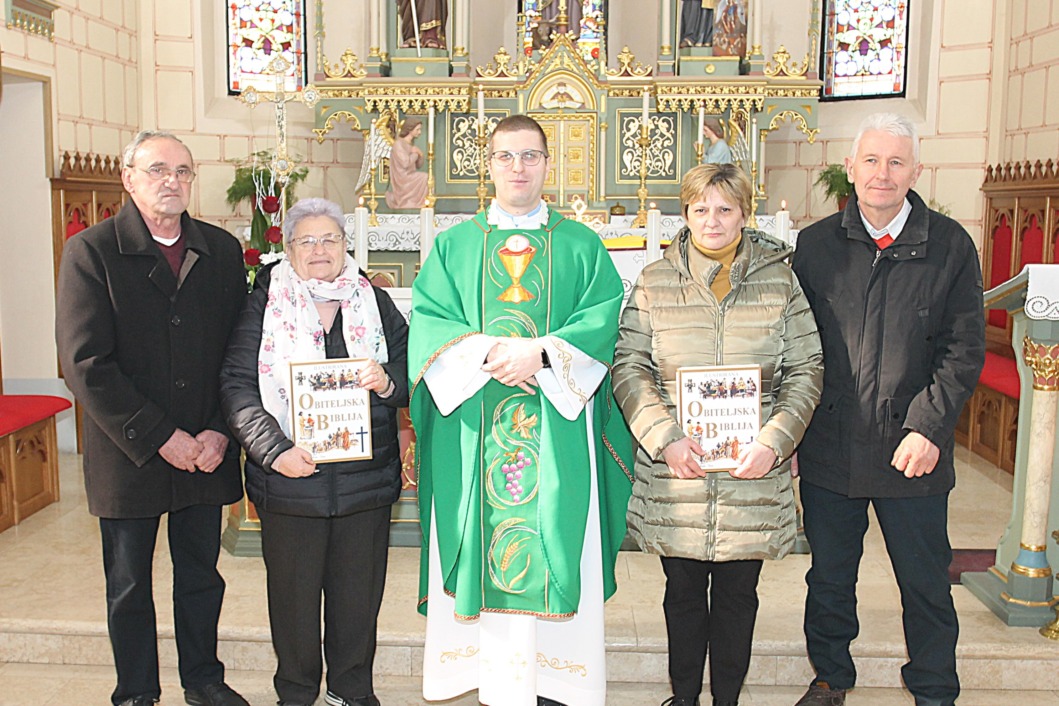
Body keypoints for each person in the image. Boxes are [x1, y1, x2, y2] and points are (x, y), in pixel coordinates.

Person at [409, 114, 633, 706]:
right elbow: (430, 324)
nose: (518, 168)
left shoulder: (582, 244)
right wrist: (490, 353)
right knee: (477, 526)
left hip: (558, 431)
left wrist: (541, 353)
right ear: (488, 165)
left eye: (530, 156)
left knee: (557, 530)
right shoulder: (453, 245)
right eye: (506, 156)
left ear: (547, 164)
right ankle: (485, 674)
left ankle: (559, 678)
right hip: (475, 426)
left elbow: (605, 320)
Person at [790, 113, 986, 706]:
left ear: (916, 171)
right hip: (832, 443)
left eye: (896, 161)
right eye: (871, 160)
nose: (883, 173)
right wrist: (795, 431)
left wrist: (928, 428)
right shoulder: (816, 244)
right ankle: (830, 678)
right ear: (850, 168)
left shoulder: (950, 245)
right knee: (829, 578)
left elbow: (964, 348)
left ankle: (933, 686)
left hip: (913, 450)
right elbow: (796, 345)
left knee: (925, 581)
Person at [612, 163, 823, 706]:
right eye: (700, 208)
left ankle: (727, 699)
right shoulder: (655, 282)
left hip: (751, 471)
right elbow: (630, 366)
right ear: (684, 214)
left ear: (744, 215)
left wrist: (776, 440)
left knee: (738, 597)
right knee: (680, 593)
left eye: (725, 208)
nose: (712, 220)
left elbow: (807, 368)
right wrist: (665, 437)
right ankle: (683, 699)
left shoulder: (780, 278)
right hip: (676, 473)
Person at [55, 131, 249, 706]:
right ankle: (136, 690)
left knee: (200, 577)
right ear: (129, 177)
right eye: (158, 169)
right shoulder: (91, 251)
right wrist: (163, 436)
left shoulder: (219, 250)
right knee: (129, 583)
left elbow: (239, 350)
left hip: (206, 446)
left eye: (183, 171)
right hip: (130, 448)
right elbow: (84, 363)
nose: (172, 181)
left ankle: (204, 681)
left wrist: (219, 428)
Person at [219, 198, 408, 706]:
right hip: (288, 480)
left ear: (346, 246)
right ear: (289, 249)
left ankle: (351, 690)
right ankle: (297, 694)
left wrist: (388, 381)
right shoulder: (263, 301)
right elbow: (236, 384)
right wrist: (273, 450)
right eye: (307, 240)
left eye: (329, 239)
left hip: (365, 481)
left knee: (357, 600)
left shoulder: (374, 300)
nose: (319, 249)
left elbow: (410, 371)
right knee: (294, 601)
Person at [385, 119, 429, 210]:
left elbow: (418, 165)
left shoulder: (409, 144)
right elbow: (405, 163)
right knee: (425, 177)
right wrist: (415, 154)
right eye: (417, 129)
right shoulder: (399, 144)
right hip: (402, 177)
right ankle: (413, 202)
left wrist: (420, 155)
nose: (419, 132)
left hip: (410, 174)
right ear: (410, 129)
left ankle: (418, 202)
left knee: (427, 177)